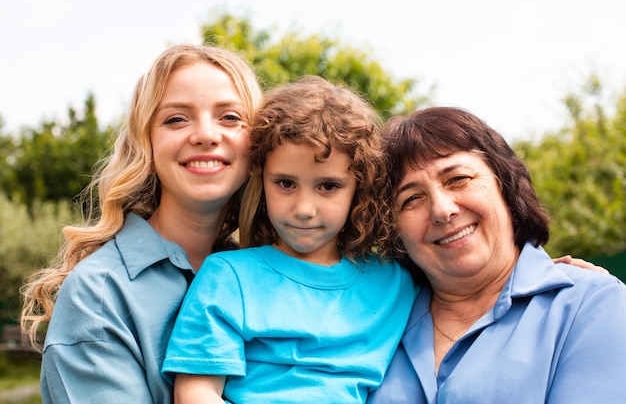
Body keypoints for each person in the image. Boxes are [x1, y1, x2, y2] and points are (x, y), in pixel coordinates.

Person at [19, 44, 263, 404]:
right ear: (145, 140)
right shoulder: (98, 295)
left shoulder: (264, 271)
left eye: (230, 117)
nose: (206, 134)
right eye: (176, 119)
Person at [161, 76, 417, 403]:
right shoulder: (229, 277)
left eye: (328, 186)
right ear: (261, 178)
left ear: (359, 188)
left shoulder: (396, 283)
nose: (304, 209)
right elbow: (195, 391)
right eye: (285, 183)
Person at [367, 107, 626, 403]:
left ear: (504, 184)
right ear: (392, 229)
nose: (442, 209)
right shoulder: (374, 322)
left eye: (458, 179)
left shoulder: (591, 304)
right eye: (411, 198)